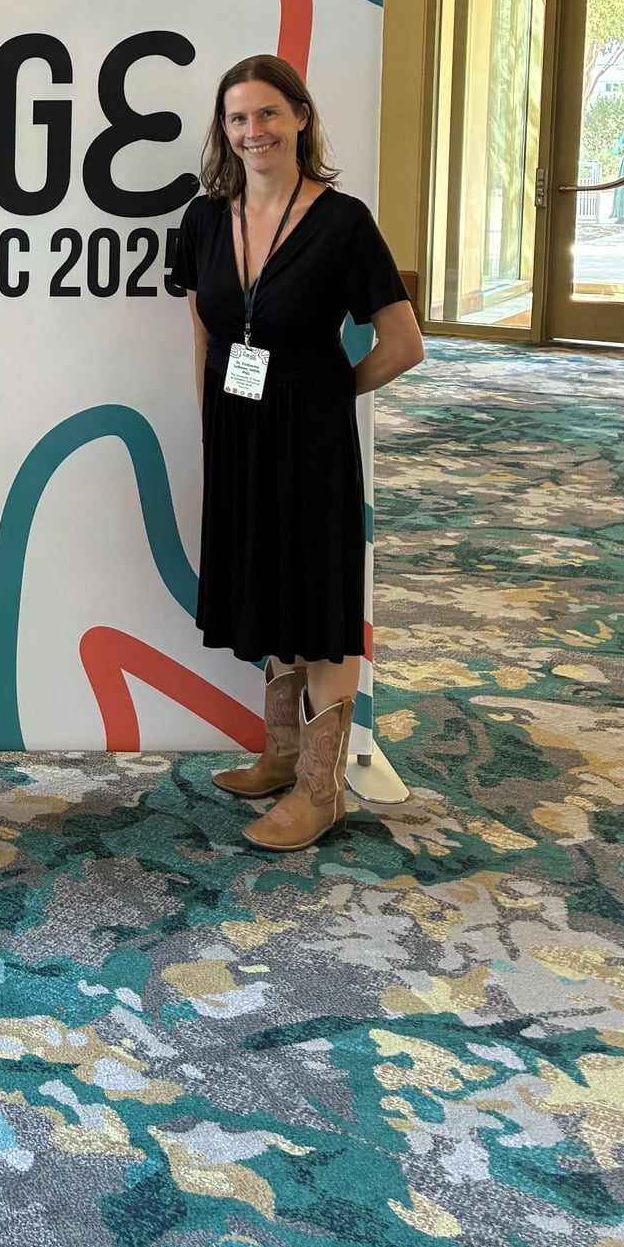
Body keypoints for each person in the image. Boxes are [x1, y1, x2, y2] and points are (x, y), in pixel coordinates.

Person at [173, 54, 424, 851]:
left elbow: (404, 344)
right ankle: (280, 753)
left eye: (270, 115)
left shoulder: (343, 222)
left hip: (310, 437)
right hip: (239, 432)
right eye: (239, 118)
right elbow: (206, 327)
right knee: (265, 587)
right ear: (224, 129)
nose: (254, 132)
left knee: (317, 607)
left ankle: (322, 791)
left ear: (302, 119)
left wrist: (324, 393)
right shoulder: (206, 219)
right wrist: (210, 416)